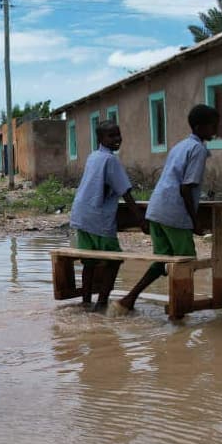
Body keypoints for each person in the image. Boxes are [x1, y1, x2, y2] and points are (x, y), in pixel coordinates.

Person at [117, 104, 220, 311]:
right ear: (200, 127)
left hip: (156, 209)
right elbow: (185, 188)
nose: (215, 129)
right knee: (186, 261)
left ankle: (128, 299)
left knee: (162, 261)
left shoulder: (180, 146)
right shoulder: (198, 149)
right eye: (212, 125)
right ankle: (179, 309)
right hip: (173, 212)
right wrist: (195, 221)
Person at [69, 120, 146, 311]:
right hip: (98, 218)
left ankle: (86, 302)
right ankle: (102, 302)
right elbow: (125, 193)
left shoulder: (93, 157)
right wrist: (141, 220)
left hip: (80, 214)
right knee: (113, 260)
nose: (117, 139)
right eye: (111, 135)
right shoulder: (110, 160)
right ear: (101, 138)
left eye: (118, 134)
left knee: (89, 261)